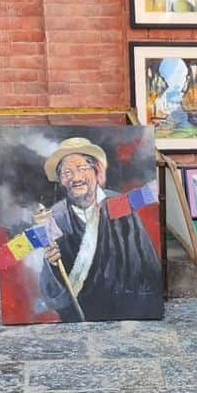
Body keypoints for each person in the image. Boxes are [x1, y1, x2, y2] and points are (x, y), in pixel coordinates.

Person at [39, 137, 163, 322]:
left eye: (81, 169)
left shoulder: (118, 204)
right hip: (80, 316)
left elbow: (145, 259)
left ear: (96, 171)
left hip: (128, 311)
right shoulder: (56, 217)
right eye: (67, 172)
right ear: (61, 180)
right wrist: (52, 262)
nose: (76, 178)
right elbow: (17, 255)